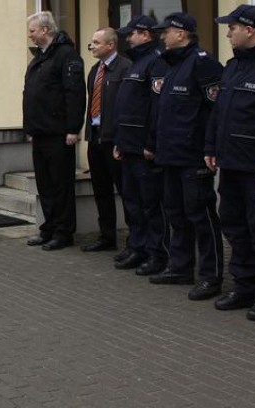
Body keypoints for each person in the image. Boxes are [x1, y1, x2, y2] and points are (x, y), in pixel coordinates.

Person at [146, 13, 224, 302]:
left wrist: (209, 149)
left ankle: (210, 276)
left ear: (181, 33)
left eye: (166, 31)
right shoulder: (172, 65)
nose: (162, 36)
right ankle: (180, 266)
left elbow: (214, 111)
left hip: (193, 158)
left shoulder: (202, 63)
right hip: (170, 155)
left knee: (201, 217)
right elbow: (164, 112)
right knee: (176, 214)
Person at [206, 5, 255, 321]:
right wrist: (210, 148)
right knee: (234, 227)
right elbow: (218, 114)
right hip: (230, 163)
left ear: (249, 29)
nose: (228, 32)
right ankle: (244, 288)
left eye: (232, 27)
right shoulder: (232, 67)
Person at [22, 11, 86, 250]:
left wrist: (72, 128)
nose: (30, 34)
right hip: (39, 132)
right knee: (45, 185)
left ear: (45, 30)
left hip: (59, 133)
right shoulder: (39, 57)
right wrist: (30, 128)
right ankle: (48, 228)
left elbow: (74, 93)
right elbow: (31, 94)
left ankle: (63, 232)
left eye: (32, 30)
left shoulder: (66, 55)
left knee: (61, 185)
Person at [113, 16, 171, 275]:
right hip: (128, 146)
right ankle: (138, 247)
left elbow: (155, 108)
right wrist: (119, 142)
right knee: (133, 202)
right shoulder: (138, 62)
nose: (128, 38)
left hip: (144, 149)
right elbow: (127, 107)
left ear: (146, 35)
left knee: (151, 204)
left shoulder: (156, 61)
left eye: (132, 34)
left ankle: (157, 253)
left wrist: (151, 143)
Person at [80, 27, 132, 255]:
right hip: (95, 137)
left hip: (115, 140)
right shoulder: (95, 70)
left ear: (111, 45)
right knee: (101, 190)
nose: (91, 46)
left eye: (96, 42)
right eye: (92, 42)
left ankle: (135, 240)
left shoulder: (125, 68)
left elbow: (126, 107)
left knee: (126, 191)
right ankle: (107, 236)